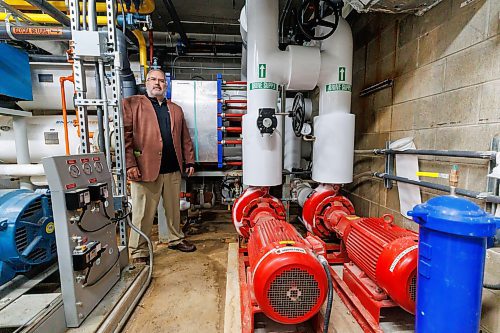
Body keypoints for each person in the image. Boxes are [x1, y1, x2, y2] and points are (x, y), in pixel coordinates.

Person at [123, 69, 197, 263]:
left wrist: (189, 160)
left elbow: (185, 138)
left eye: (162, 81)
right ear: (146, 82)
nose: (157, 83)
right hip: (145, 169)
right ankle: (139, 251)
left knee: (173, 210)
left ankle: (174, 238)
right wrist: (130, 163)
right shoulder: (132, 104)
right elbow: (125, 138)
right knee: (143, 213)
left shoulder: (175, 109)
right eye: (153, 80)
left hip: (172, 168)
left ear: (166, 85)